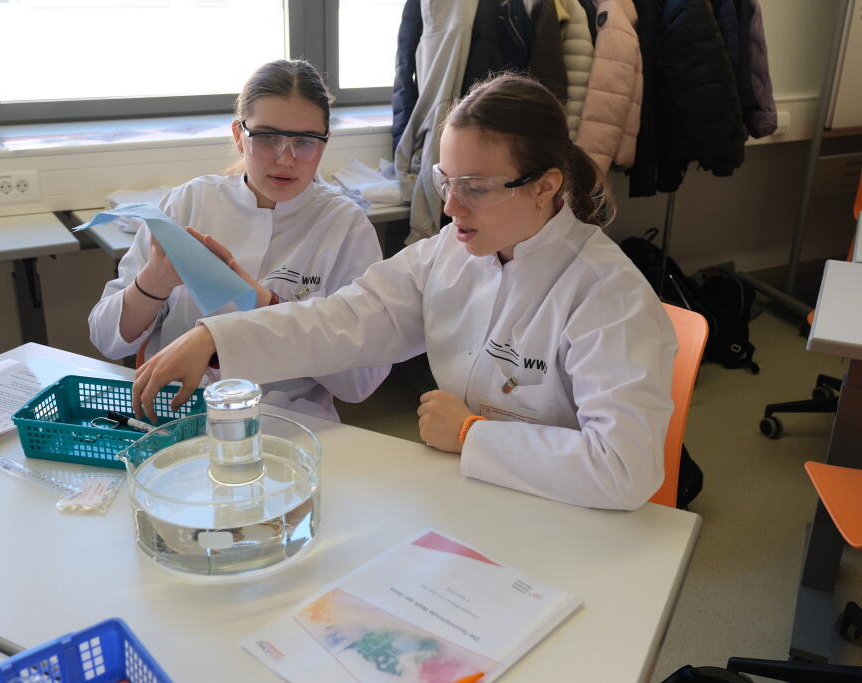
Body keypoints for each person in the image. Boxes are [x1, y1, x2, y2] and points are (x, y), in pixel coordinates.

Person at [131, 73, 677, 511]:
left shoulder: (607, 295)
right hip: (470, 491)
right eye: (446, 182)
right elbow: (345, 319)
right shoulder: (447, 254)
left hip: (571, 516)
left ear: (545, 186)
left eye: (475, 188)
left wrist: (471, 434)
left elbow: (623, 469)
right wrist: (217, 338)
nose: (451, 208)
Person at [88, 59, 389, 421]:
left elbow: (360, 382)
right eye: (267, 138)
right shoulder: (190, 202)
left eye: (305, 142)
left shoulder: (345, 225)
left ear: (324, 144)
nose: (286, 159)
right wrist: (154, 281)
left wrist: (268, 305)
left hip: (286, 422)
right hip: (179, 418)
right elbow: (107, 338)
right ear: (238, 135)